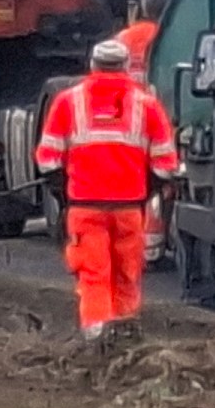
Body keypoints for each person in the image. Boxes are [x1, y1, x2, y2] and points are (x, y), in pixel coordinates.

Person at [35, 35, 178, 338]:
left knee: (94, 274)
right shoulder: (147, 105)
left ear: (92, 65)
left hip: (85, 208)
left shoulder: (67, 102)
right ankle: (127, 334)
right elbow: (166, 163)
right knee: (128, 273)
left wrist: (62, 189)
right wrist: (150, 187)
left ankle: (97, 337)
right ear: (126, 67)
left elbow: (47, 159)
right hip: (130, 208)